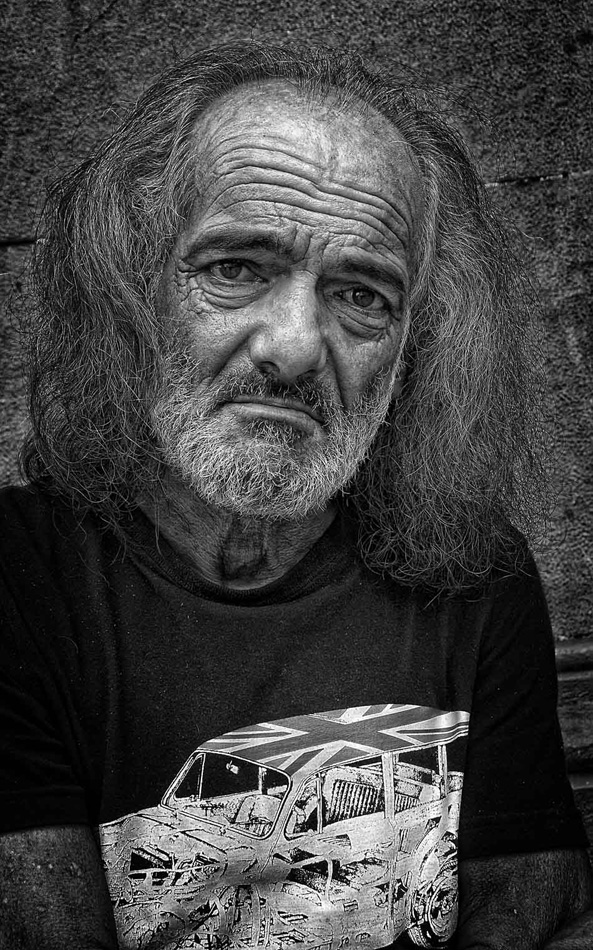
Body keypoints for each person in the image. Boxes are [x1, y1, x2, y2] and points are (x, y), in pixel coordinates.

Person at [0, 40, 590, 950]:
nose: (295, 347)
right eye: (235, 268)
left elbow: (532, 909)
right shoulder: (18, 576)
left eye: (362, 295)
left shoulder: (477, 573)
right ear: (131, 290)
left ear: (415, 343)